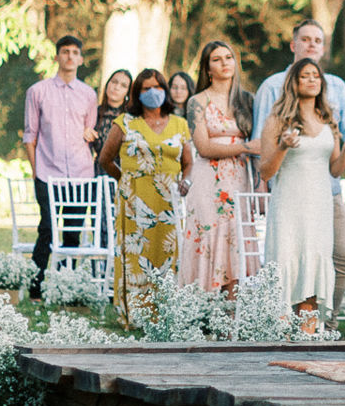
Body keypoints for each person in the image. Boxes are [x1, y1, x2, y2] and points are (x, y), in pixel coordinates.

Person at [252, 20, 345, 317]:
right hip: (289, 197)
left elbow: (336, 167)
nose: (312, 45)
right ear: (293, 44)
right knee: (288, 258)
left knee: (336, 257)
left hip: (325, 196)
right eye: (306, 39)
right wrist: (282, 148)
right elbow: (263, 161)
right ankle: (282, 326)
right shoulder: (273, 96)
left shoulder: (331, 108)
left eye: (317, 40)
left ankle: (323, 324)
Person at [98, 69, 192, 325]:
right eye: (146, 88)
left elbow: (188, 162)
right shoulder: (125, 122)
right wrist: (126, 180)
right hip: (134, 199)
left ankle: (165, 313)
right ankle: (136, 314)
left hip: (168, 200)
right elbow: (105, 159)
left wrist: (186, 181)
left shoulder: (179, 124)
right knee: (136, 255)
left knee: (166, 252)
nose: (153, 93)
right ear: (137, 94)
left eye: (158, 87)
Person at [180, 40, 259, 291]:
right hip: (208, 182)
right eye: (217, 59)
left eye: (228, 57)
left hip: (239, 180)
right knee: (210, 236)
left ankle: (233, 316)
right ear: (207, 68)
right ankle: (204, 311)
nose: (224, 63)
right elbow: (203, 147)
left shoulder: (248, 100)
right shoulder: (197, 102)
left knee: (236, 238)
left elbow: (262, 143)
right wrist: (245, 147)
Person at [22, 36, 99, 289]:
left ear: (80, 59)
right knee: (47, 227)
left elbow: (90, 130)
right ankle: (37, 284)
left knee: (73, 231)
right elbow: (30, 135)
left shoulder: (89, 94)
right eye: (64, 51)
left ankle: (65, 286)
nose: (69, 56)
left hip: (80, 172)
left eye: (74, 52)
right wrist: (36, 171)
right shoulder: (37, 91)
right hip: (48, 172)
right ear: (56, 56)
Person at [91, 69, 132, 163]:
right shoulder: (94, 113)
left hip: (122, 173)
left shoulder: (131, 118)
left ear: (127, 93)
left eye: (123, 86)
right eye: (114, 82)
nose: (116, 87)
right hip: (97, 172)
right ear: (107, 84)